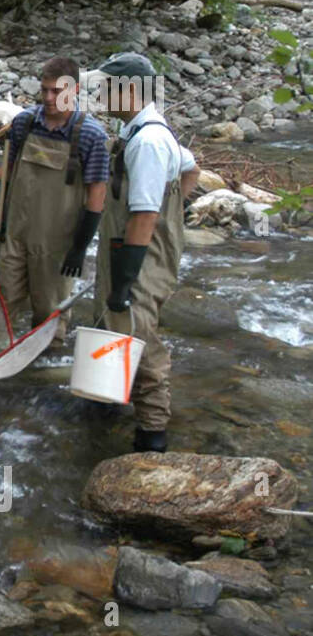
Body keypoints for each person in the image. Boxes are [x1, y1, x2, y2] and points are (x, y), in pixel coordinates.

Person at [92, 52, 200, 453]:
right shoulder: (141, 130)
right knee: (112, 326)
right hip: (129, 247)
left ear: (131, 90)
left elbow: (142, 216)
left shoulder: (150, 141)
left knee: (139, 335)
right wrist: (178, 208)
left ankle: (152, 435)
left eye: (106, 87)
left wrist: (124, 279)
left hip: (138, 254)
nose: (100, 93)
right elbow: (191, 168)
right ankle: (103, 403)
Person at [0, 56, 109, 346]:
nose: (49, 98)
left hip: (57, 242)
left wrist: (80, 248)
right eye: (44, 90)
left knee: (49, 313)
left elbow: (96, 195)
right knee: (2, 303)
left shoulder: (91, 135)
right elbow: (7, 166)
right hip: (15, 233)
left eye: (57, 91)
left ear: (75, 91)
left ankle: (44, 374)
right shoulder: (25, 123)